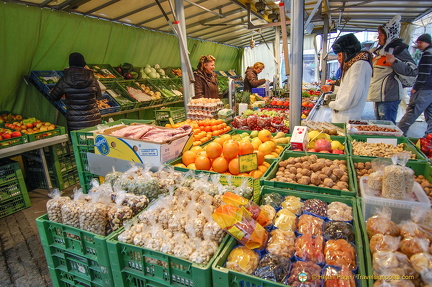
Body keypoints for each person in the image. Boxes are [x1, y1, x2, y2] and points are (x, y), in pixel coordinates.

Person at [367, 15, 418, 124]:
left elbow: (413, 71)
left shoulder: (398, 50)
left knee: (387, 127)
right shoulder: (380, 51)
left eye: (380, 35)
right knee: (381, 126)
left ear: (388, 35)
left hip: (389, 97)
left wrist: (395, 62)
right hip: (379, 96)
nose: (378, 38)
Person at [321, 33, 373, 123]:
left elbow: (351, 97)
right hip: (344, 117)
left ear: (348, 52)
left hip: (346, 118)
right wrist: (332, 88)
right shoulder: (354, 65)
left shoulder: (359, 66)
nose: (338, 58)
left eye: (340, 55)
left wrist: (331, 104)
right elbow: (348, 89)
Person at [49, 52, 102, 131]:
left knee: (77, 141)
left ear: (70, 63)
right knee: (94, 141)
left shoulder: (65, 79)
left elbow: (54, 97)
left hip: (75, 122)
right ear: (83, 63)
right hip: (93, 120)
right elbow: (99, 96)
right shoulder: (92, 78)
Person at [398, 34, 432, 135]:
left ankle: (399, 134)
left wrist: (416, 87)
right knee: (430, 114)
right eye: (418, 43)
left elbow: (424, 73)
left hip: (424, 89)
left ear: (428, 42)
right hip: (430, 89)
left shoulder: (428, 54)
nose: (418, 45)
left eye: (421, 42)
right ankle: (429, 137)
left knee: (412, 112)